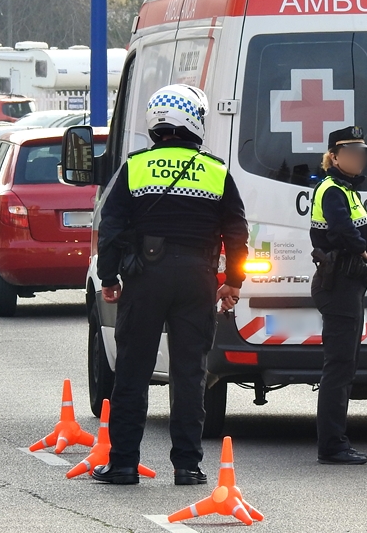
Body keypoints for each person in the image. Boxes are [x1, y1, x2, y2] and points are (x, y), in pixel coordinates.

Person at [92, 84, 249, 486]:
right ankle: (188, 466)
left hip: (145, 278)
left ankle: (124, 464)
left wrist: (109, 279)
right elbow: (236, 230)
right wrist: (233, 281)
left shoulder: (136, 166)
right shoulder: (215, 170)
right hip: (197, 278)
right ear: (194, 121)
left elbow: (110, 229)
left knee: (132, 371)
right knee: (189, 373)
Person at [309, 125, 367, 466]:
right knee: (339, 368)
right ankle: (332, 446)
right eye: (351, 152)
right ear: (334, 157)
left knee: (345, 366)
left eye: (361, 152)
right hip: (337, 285)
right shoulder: (333, 190)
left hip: (344, 285)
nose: (359, 158)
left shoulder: (346, 189)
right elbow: (342, 229)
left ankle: (336, 442)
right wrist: (364, 253)